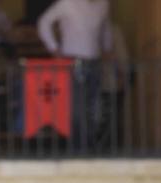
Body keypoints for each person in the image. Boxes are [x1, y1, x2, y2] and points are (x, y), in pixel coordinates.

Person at [37, 0, 112, 153]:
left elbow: (106, 27)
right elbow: (43, 22)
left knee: (94, 106)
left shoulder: (103, 3)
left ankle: (90, 147)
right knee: (77, 108)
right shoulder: (68, 2)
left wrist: (107, 48)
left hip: (95, 61)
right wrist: (54, 49)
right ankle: (78, 149)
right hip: (73, 60)